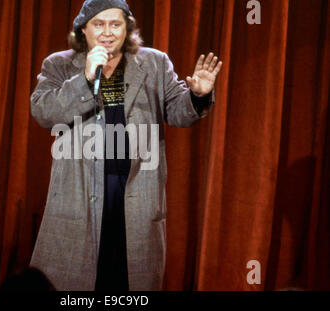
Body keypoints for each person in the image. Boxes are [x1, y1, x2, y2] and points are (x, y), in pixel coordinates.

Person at [29, 0, 222, 291]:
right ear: (83, 30)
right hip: (80, 194)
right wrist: (84, 79)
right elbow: (44, 112)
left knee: (127, 282)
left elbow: (177, 112)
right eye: (99, 24)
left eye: (115, 24)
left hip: (135, 192)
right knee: (77, 284)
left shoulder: (154, 63)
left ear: (127, 28)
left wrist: (197, 96)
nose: (107, 32)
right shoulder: (59, 65)